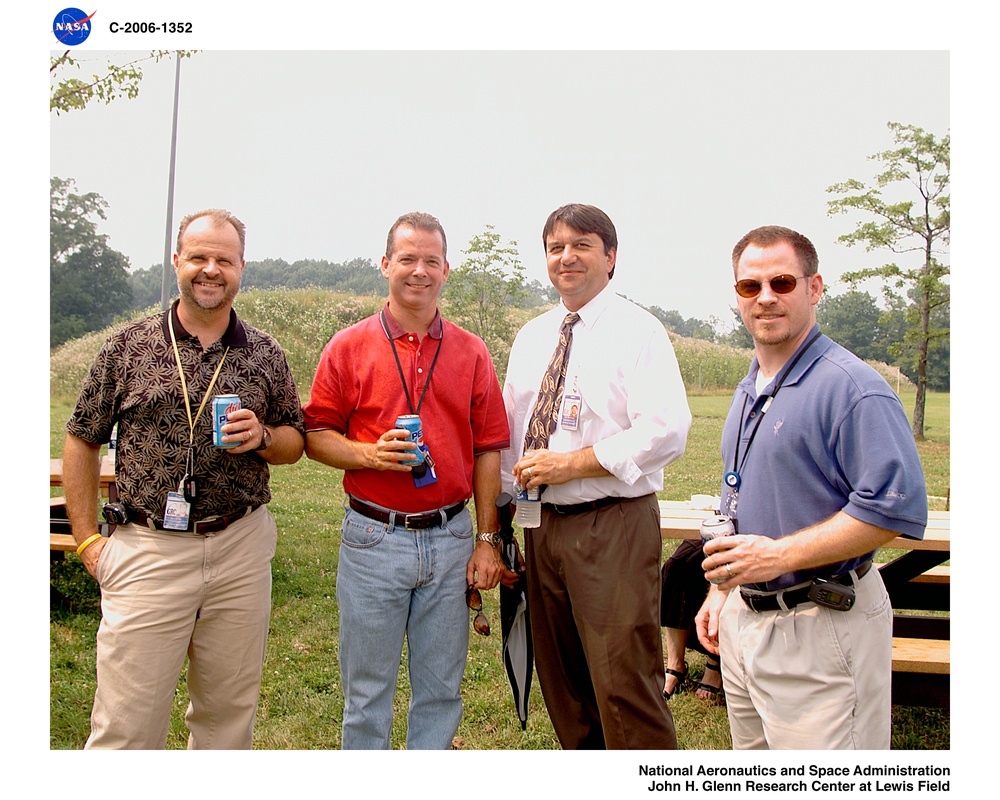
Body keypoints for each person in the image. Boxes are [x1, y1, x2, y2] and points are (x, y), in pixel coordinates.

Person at [63, 208, 306, 749]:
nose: (210, 270)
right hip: (148, 546)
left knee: (226, 719)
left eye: (224, 259)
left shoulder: (265, 352)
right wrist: (86, 542)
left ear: (242, 266)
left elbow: (296, 438)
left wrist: (263, 436)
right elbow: (82, 437)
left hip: (240, 546)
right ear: (177, 261)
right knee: (126, 725)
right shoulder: (129, 346)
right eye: (198, 256)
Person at [695, 225, 928, 750]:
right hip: (745, 623)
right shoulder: (749, 387)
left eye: (781, 282)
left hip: (822, 625)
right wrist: (722, 590)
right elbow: (741, 500)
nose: (766, 298)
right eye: (749, 287)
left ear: (814, 287)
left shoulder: (852, 388)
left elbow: (892, 511)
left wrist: (777, 556)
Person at [303, 211, 510, 750]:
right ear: (385, 265)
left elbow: (489, 446)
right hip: (373, 538)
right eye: (408, 259)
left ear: (446, 270)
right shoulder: (348, 346)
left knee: (441, 691)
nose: (419, 271)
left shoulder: (471, 350)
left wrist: (486, 540)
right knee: (366, 693)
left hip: (450, 538)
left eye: (431, 261)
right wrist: (370, 456)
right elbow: (315, 434)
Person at [502, 203, 691, 749]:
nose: (567, 257)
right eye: (556, 247)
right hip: (539, 527)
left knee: (622, 681)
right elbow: (514, 434)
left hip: (610, 523)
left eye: (582, 245)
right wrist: (500, 522)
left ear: (610, 257)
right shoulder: (533, 336)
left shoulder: (638, 331)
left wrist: (572, 463)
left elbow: (665, 431)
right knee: (564, 683)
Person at [660, 539, 723, 703]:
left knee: (717, 569)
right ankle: (675, 666)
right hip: (704, 527)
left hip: (736, 533)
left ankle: (714, 663)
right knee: (676, 565)